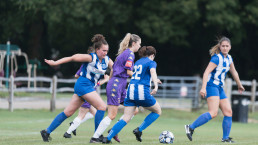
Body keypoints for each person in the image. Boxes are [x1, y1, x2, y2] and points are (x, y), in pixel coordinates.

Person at [40, 34, 113, 142]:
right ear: (97, 50)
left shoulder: (107, 60)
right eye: (103, 50)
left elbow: (116, 68)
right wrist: (55, 62)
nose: (105, 53)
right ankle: (96, 136)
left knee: (68, 113)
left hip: (87, 87)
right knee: (102, 106)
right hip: (83, 85)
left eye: (107, 51)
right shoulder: (91, 57)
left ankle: (46, 132)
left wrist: (111, 78)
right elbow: (73, 57)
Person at [184, 37, 245, 143]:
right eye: (223, 46)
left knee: (228, 112)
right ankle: (190, 127)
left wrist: (239, 85)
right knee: (213, 113)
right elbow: (206, 72)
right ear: (220, 47)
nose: (225, 48)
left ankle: (225, 138)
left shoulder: (229, 58)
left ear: (230, 47)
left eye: (227, 46)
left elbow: (234, 72)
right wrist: (203, 87)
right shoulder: (216, 58)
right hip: (211, 86)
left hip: (219, 88)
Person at [102, 46, 162, 144]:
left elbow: (140, 76)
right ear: (152, 55)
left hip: (130, 92)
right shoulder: (151, 62)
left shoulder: (138, 62)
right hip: (141, 92)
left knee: (126, 117)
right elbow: (152, 72)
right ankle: (139, 130)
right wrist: (156, 86)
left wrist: (154, 80)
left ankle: (107, 138)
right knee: (157, 111)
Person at [90, 33, 141, 143]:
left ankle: (114, 131)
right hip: (117, 85)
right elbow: (128, 71)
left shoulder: (124, 53)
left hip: (119, 85)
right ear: (134, 43)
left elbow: (113, 69)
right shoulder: (130, 54)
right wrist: (140, 77)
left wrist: (111, 81)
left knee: (134, 109)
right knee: (112, 115)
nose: (140, 46)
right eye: (139, 44)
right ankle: (95, 137)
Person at [64, 64, 110, 138]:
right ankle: (68, 132)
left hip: (84, 91)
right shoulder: (94, 68)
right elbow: (97, 83)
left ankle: (74, 124)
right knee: (81, 115)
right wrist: (105, 80)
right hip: (88, 94)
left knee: (94, 113)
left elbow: (76, 75)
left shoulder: (84, 65)